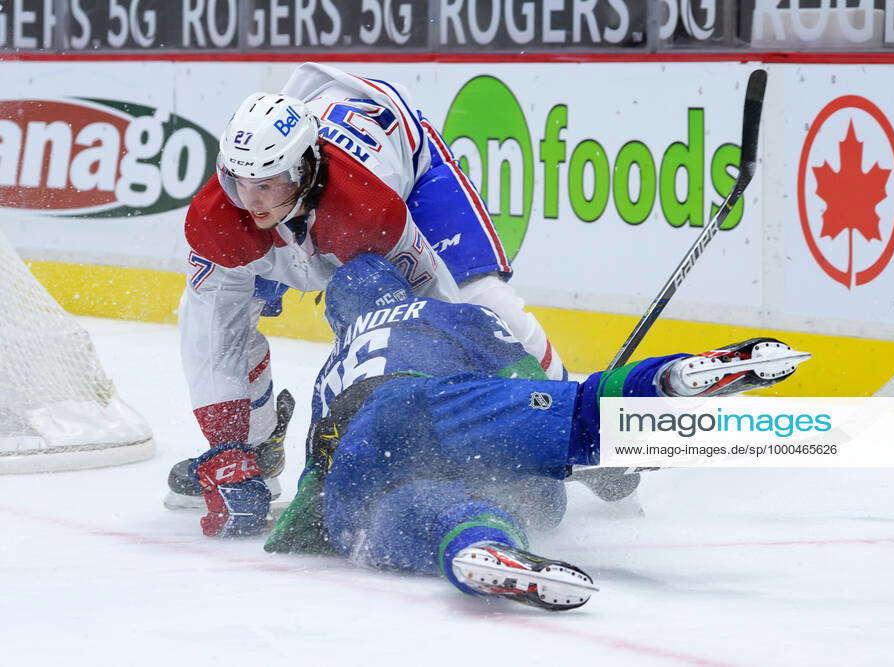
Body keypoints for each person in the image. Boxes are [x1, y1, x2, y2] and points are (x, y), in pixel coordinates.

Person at [187, 255, 810, 611]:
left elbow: (320, 475)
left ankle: (474, 545)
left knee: (399, 512)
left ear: (340, 311)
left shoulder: (339, 354)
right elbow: (525, 381)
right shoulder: (458, 313)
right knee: (580, 420)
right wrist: (582, 455)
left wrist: (328, 523)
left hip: (362, 431)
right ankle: (665, 383)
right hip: (442, 400)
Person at [169, 63, 566, 508]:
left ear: (301, 171)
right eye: (237, 182)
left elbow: (440, 306)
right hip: (319, 210)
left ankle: (561, 409)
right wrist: (227, 447)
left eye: (264, 184)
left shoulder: (368, 208)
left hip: (413, 172)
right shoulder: (219, 220)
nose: (248, 201)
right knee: (230, 316)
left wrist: (482, 401)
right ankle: (257, 451)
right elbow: (212, 334)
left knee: (482, 300)